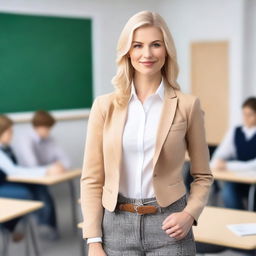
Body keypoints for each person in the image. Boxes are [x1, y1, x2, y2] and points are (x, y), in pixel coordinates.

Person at [81, 11, 213, 256]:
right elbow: (91, 179)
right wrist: (94, 241)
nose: (147, 54)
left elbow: (203, 175)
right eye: (138, 45)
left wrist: (189, 214)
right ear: (127, 52)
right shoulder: (104, 106)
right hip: (115, 227)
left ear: (166, 50)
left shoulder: (187, 105)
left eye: (156, 45)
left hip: (170, 225)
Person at [0, 115, 62, 240]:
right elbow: (13, 171)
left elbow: (19, 169)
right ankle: (9, 226)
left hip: (9, 182)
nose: (12, 135)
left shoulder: (8, 148)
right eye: (9, 132)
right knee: (25, 193)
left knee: (40, 187)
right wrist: (47, 170)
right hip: (2, 186)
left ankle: (47, 225)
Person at [13, 110, 70, 239]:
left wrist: (60, 166)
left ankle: (49, 226)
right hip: (24, 177)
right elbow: (31, 164)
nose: (49, 131)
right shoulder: (25, 139)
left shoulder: (50, 139)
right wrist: (51, 168)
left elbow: (66, 160)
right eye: (46, 128)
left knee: (45, 194)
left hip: (42, 177)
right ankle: (45, 226)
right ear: (37, 126)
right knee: (43, 194)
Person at [210, 97, 256, 210]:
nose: (245, 118)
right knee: (227, 191)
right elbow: (219, 156)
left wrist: (228, 165)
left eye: (250, 114)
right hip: (238, 177)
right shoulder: (235, 131)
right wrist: (218, 162)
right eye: (244, 114)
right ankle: (239, 217)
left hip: (252, 179)